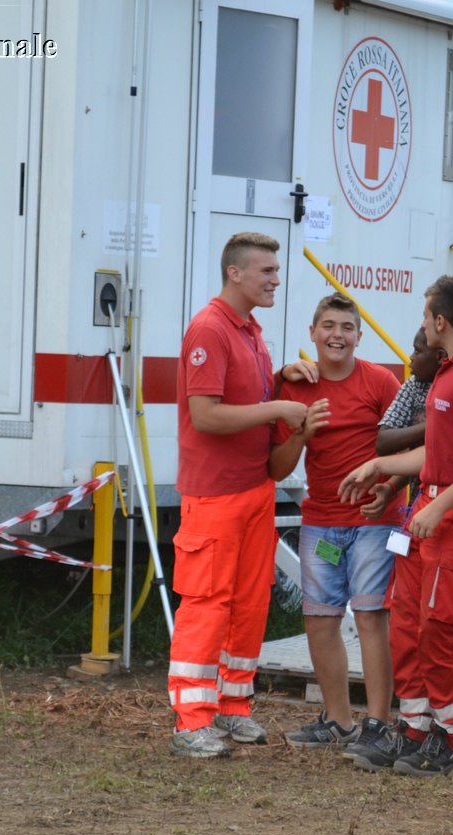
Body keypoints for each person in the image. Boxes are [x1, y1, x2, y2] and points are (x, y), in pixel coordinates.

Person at [338, 276, 453, 776]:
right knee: (409, 623)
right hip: (432, 510)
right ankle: (415, 728)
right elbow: (442, 451)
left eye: (423, 317)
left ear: (441, 321)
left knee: (440, 629)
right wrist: (384, 472)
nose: (421, 326)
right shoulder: (448, 373)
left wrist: (441, 504)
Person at [166, 232, 307, 758]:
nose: (275, 278)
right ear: (235, 273)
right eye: (267, 270)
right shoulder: (210, 327)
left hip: (253, 489)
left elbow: (242, 397)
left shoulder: (249, 330)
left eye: (275, 269)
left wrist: (278, 378)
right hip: (216, 495)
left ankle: (233, 707)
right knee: (207, 604)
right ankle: (191, 720)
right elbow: (205, 414)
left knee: (249, 604)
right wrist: (277, 410)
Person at [268, 295, 400, 749]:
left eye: (346, 327)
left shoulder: (381, 382)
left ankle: (378, 725)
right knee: (320, 620)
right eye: (328, 325)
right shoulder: (297, 388)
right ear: (312, 333)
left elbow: (406, 447)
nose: (337, 335)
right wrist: (303, 431)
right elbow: (278, 469)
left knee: (370, 616)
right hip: (321, 523)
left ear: (359, 337)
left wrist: (390, 489)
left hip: (373, 521)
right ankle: (339, 722)